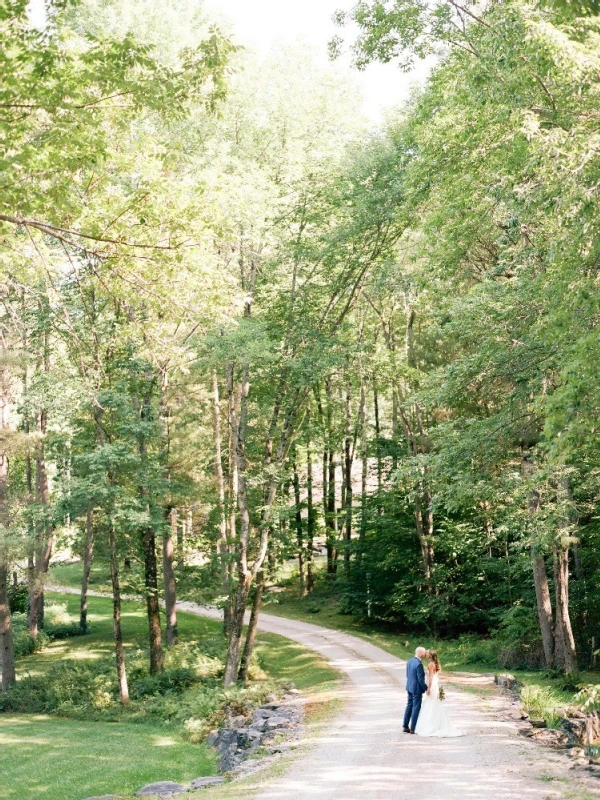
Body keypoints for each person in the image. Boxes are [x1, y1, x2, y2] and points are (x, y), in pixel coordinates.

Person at [415, 650, 464, 737]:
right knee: (434, 704)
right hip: (435, 684)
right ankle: (437, 724)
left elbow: (430, 677)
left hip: (432, 685)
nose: (426, 654)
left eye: (427, 653)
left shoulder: (431, 664)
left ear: (430, 656)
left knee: (431, 704)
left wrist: (428, 688)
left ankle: (432, 725)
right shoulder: (434, 663)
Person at [403, 646, 428, 734]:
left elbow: (407, 675)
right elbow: (421, 680)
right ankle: (413, 728)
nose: (425, 654)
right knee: (416, 708)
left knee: (409, 706)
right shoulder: (419, 664)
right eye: (424, 652)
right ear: (420, 653)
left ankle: (405, 726)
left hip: (409, 687)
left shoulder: (410, 661)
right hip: (416, 689)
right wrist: (426, 688)